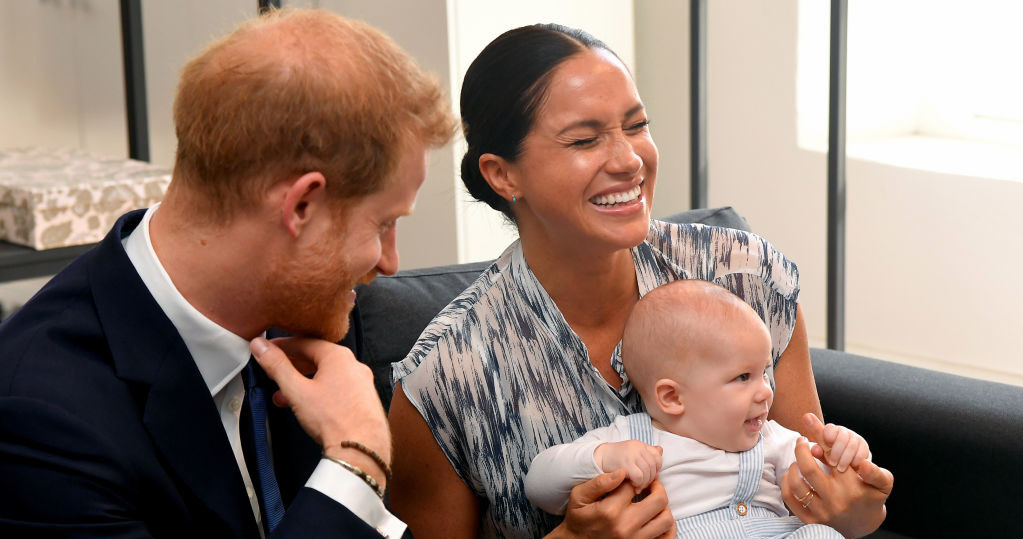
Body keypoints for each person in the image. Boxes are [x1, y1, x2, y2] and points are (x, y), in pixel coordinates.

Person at [387, 23, 892, 539]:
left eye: (636, 125)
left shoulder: (745, 276)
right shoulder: (446, 378)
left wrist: (851, 510)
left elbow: (818, 498)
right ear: (503, 175)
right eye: (585, 139)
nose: (630, 160)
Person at [0, 8, 454, 538]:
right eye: (384, 223)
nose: (390, 262)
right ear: (302, 205)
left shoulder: (306, 313)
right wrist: (356, 466)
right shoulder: (39, 420)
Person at [524, 280, 873, 538]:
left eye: (764, 372)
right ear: (672, 398)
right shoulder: (630, 439)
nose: (766, 391)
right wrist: (603, 458)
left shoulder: (770, 438)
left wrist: (843, 451)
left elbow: (825, 484)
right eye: (742, 377)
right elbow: (539, 483)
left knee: (821, 535)